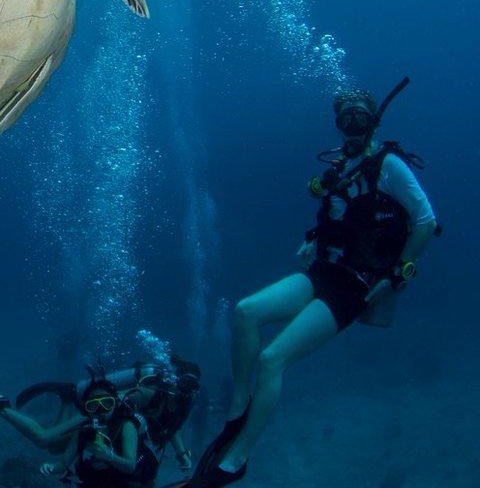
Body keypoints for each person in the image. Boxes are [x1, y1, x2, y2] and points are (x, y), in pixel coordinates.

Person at [187, 82, 438, 488]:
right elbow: (342, 218)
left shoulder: (389, 166)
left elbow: (425, 220)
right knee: (246, 312)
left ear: (373, 121)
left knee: (273, 359)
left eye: (360, 117)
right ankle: (238, 408)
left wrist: (401, 270)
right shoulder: (340, 168)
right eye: (345, 118)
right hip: (326, 271)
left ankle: (236, 460)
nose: (352, 126)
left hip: (358, 284)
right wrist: (313, 239)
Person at [0, 366, 159, 487]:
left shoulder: (126, 425)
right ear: (86, 409)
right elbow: (63, 462)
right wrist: (53, 467)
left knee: (46, 440)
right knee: (49, 445)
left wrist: (109, 456)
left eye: (106, 403)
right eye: (93, 406)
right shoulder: (84, 429)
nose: (100, 410)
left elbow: (129, 466)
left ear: (115, 404)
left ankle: (4, 408)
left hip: (131, 483)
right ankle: (4, 408)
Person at [123, 358, 200, 473]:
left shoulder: (183, 407)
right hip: (123, 444)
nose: (187, 389)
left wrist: (182, 454)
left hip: (142, 450)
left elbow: (173, 429)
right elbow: (118, 399)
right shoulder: (151, 394)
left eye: (193, 386)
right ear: (175, 380)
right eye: (184, 383)